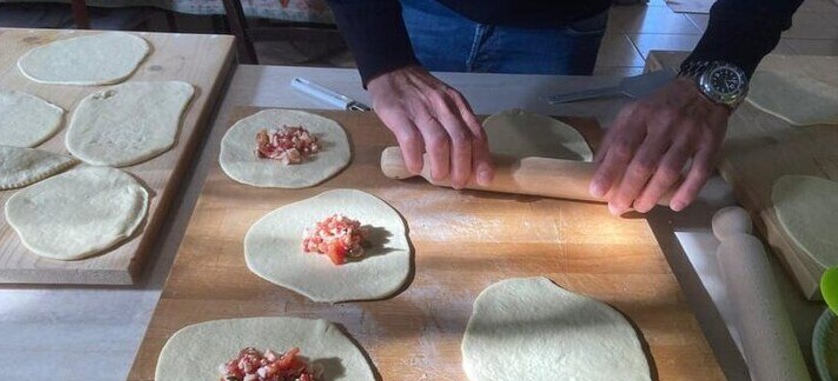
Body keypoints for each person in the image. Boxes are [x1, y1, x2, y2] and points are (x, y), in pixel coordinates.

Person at [324, 0, 803, 214]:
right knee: (424, 143)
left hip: (561, 20)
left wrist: (719, 66)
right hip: (420, 12)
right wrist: (383, 55)